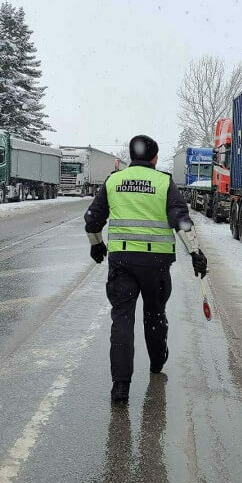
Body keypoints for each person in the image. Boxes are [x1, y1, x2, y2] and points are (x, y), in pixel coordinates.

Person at [84, 134, 208, 403]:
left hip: (122, 263)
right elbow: (181, 220)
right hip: (156, 265)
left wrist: (96, 244)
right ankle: (156, 363)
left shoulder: (114, 181)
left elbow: (93, 218)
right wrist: (196, 252)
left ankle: (120, 385)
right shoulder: (164, 182)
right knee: (154, 315)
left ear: (132, 156)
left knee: (122, 321)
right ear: (153, 158)